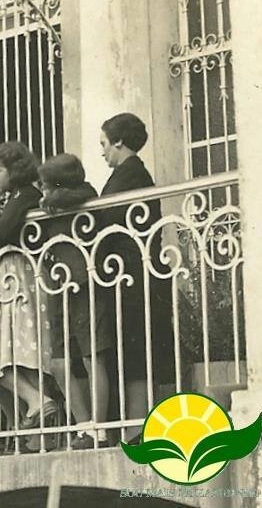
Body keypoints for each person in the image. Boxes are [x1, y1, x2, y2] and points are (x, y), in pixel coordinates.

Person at [97, 112, 174, 443]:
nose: (102, 152)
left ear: (119, 142)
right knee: (132, 348)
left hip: (133, 275)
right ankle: (134, 427)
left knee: (136, 348)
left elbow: (105, 219)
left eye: (104, 144)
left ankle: (137, 428)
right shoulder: (129, 173)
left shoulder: (131, 175)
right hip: (129, 274)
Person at [0, 142, 56, 431]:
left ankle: (36, 405)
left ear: (14, 170)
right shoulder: (17, 196)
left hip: (17, 280)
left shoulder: (25, 195)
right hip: (8, 280)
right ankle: (34, 408)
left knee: (4, 356)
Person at [37, 153, 107, 449]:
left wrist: (52, 198)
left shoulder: (83, 194)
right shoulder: (51, 202)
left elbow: (82, 193)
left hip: (84, 283)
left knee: (93, 357)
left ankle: (99, 430)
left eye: (45, 184)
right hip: (59, 287)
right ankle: (84, 425)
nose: (41, 191)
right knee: (59, 362)